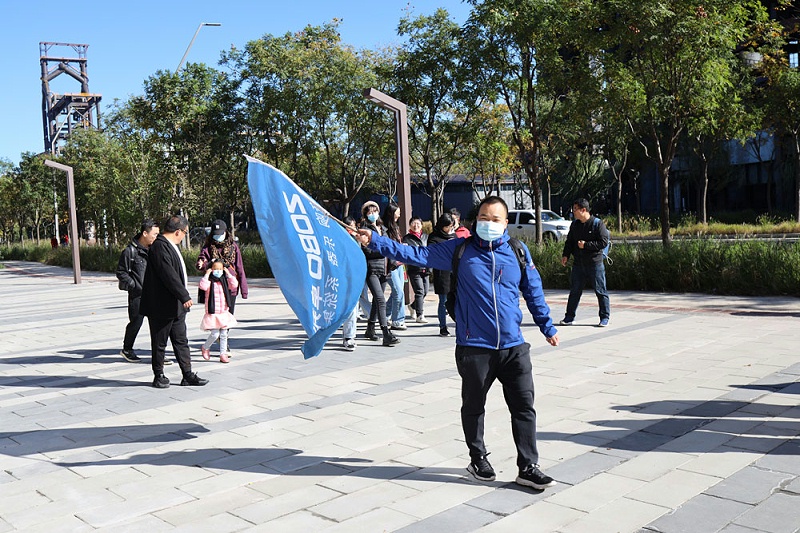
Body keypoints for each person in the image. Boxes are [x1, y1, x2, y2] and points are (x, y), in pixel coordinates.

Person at [357, 195, 560, 491]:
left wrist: (546, 324)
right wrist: (375, 240)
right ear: (474, 220)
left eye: (495, 220)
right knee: (474, 407)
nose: (488, 224)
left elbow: (533, 289)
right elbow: (415, 255)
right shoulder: (460, 249)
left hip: (514, 346)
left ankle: (528, 466)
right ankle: (478, 458)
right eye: (483, 218)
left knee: (524, 407)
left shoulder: (517, 251)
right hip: (474, 347)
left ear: (505, 223)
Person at [140, 215, 208, 389]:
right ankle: (159, 375)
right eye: (185, 232)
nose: (185, 235)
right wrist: (184, 295)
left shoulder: (169, 245)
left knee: (181, 340)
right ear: (178, 231)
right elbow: (168, 274)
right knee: (160, 342)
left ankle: (187, 374)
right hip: (161, 305)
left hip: (175, 305)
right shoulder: (160, 247)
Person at [196, 219, 248, 352]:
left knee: (227, 316)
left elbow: (239, 267)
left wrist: (244, 290)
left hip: (230, 286)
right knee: (214, 314)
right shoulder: (208, 247)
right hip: (214, 287)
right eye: (215, 233)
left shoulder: (233, 247)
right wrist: (201, 264)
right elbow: (201, 260)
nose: (218, 236)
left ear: (226, 232)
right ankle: (217, 337)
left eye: (220, 233)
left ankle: (224, 344)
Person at [115, 219, 162, 363]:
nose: (156, 237)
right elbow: (121, 272)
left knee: (158, 325)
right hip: (138, 295)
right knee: (136, 322)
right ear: (145, 233)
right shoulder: (131, 251)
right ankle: (127, 349)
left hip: (154, 294)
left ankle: (159, 354)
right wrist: (134, 285)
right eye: (154, 234)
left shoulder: (155, 249)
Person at [560, 198, 611, 327]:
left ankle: (604, 317)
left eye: (575, 209)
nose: (573, 212)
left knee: (600, 291)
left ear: (583, 210)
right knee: (575, 291)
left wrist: (586, 245)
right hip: (578, 264)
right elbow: (570, 242)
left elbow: (603, 242)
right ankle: (569, 317)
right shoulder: (575, 225)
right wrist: (565, 255)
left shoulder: (597, 224)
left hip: (595, 263)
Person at [359, 201, 399, 347]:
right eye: (369, 212)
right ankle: (386, 333)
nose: (372, 214)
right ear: (365, 215)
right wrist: (383, 250)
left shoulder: (383, 228)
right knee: (381, 299)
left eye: (374, 211)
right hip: (372, 270)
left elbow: (390, 246)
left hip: (384, 269)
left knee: (377, 300)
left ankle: (370, 328)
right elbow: (367, 251)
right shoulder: (364, 230)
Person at [198, 259, 239, 363]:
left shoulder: (224, 280)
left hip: (224, 312)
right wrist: (206, 275)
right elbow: (203, 286)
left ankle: (223, 354)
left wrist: (228, 273)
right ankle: (205, 347)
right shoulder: (210, 281)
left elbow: (234, 284)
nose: (218, 271)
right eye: (215, 269)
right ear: (211, 269)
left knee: (224, 334)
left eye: (220, 269)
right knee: (215, 334)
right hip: (213, 312)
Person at [428, 212, 456, 337]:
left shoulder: (454, 236)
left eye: (451, 226)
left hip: (454, 272)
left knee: (457, 299)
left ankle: (459, 323)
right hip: (442, 273)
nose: (449, 229)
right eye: (447, 226)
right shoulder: (434, 237)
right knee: (443, 300)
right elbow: (432, 254)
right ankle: (443, 326)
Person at [382, 203, 407, 331]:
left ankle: (384, 315)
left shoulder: (395, 227)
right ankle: (397, 320)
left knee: (397, 292)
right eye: (397, 212)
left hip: (399, 264)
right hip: (390, 265)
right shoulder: (384, 229)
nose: (399, 214)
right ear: (391, 213)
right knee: (398, 292)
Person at [402, 216, 429, 324]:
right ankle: (420, 314)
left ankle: (413, 306)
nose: (416, 225)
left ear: (421, 225)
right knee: (419, 291)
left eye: (418, 223)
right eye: (413, 223)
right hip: (414, 268)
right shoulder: (407, 238)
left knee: (425, 291)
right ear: (410, 225)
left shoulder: (426, 237)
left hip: (426, 268)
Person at [341, 216, 360, 351]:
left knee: (353, 306)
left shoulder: (358, 238)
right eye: (348, 226)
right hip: (341, 278)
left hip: (355, 277)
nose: (351, 228)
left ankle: (349, 336)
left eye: (353, 225)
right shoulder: (338, 239)